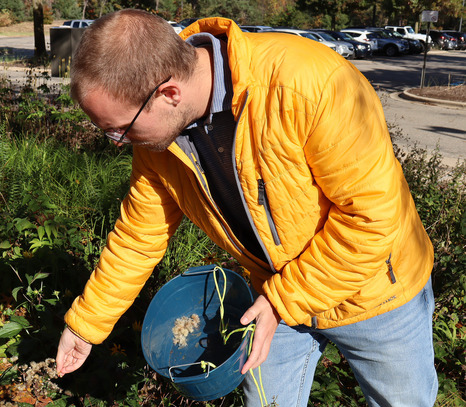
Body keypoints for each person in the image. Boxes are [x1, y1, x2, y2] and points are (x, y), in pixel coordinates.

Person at [56, 9, 437, 407]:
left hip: (375, 292)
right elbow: (139, 236)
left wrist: (279, 301)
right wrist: (85, 327)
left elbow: (371, 220)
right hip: (272, 293)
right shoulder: (156, 140)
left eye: (121, 128)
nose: (119, 142)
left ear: (168, 93)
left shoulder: (311, 83)